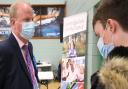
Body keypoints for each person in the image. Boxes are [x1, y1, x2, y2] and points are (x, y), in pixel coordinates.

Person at [0, 1, 39, 89]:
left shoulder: (29, 46)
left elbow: (31, 75)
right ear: (13, 22)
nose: (32, 24)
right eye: (27, 20)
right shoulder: (3, 50)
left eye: (32, 19)